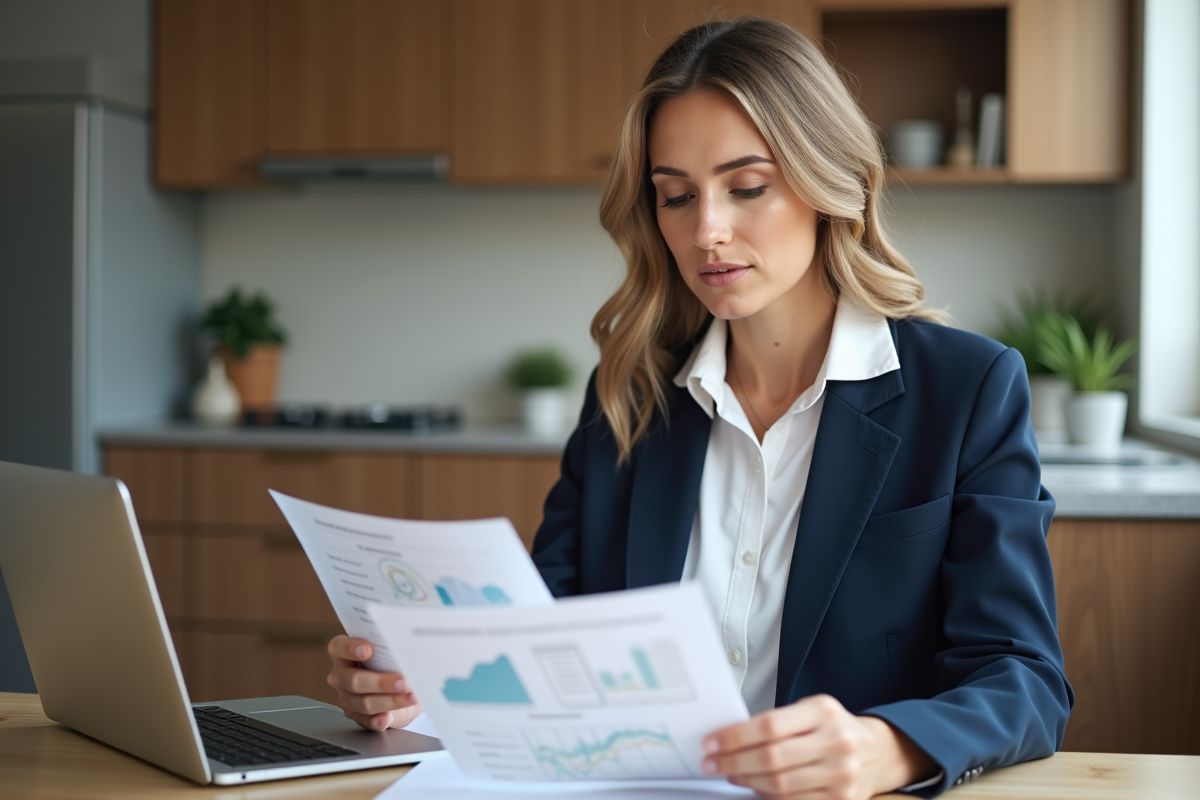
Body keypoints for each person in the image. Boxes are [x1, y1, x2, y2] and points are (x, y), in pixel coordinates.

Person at [326, 17, 1072, 799]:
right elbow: (542, 643)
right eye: (676, 197)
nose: (707, 232)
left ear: (826, 181)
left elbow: (1023, 678)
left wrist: (888, 748)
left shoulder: (967, 389)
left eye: (747, 188)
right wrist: (425, 685)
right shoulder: (628, 396)